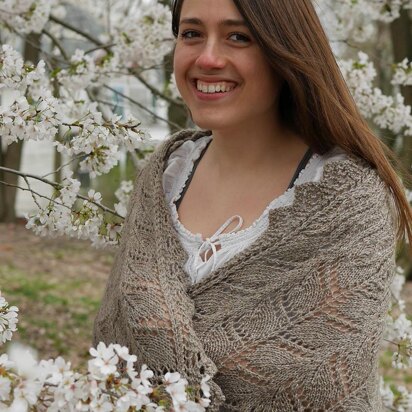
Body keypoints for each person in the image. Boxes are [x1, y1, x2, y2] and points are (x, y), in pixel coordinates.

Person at [93, 0, 412, 410]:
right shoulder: (164, 176)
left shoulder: (350, 205)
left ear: (285, 50)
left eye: (238, 37)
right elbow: (116, 344)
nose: (207, 58)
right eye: (191, 33)